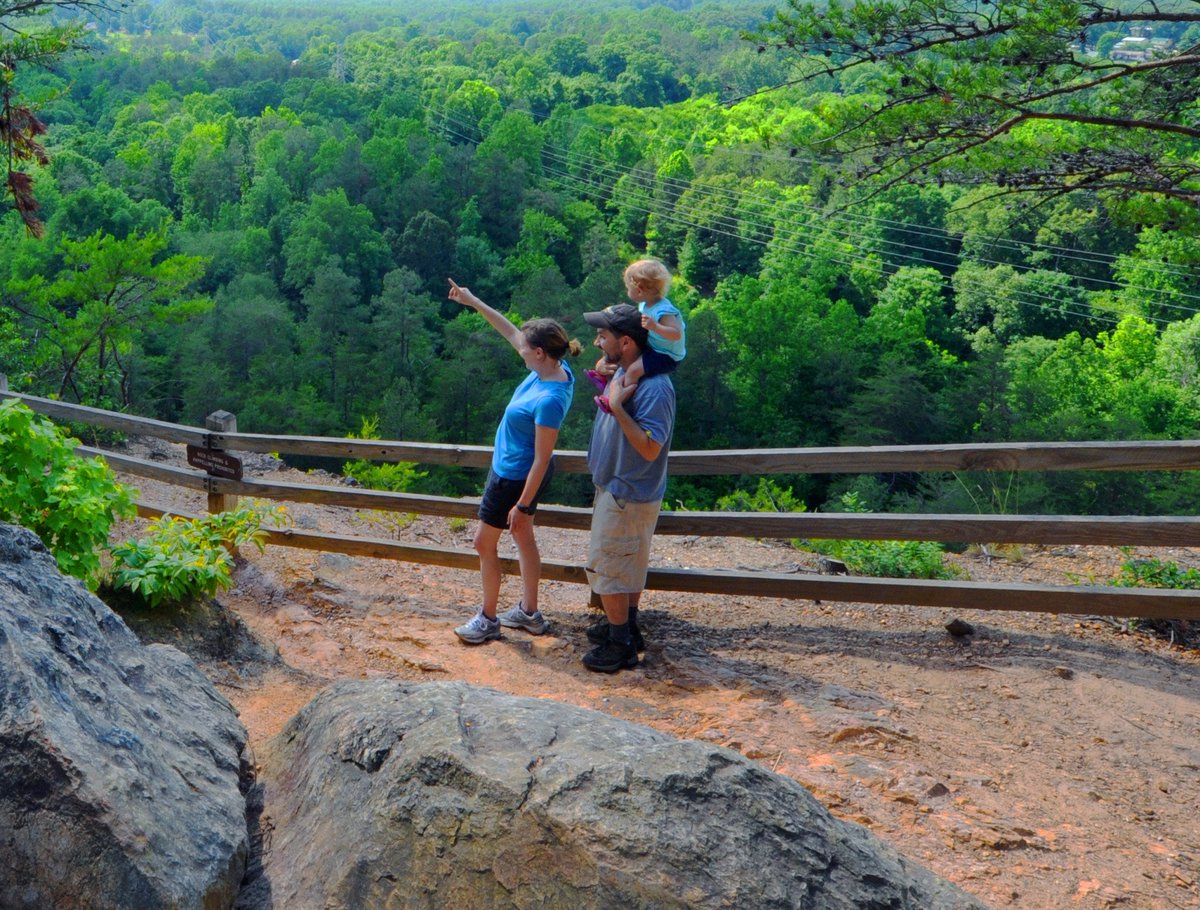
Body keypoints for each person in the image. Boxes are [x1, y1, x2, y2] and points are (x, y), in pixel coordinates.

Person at [447, 278, 581, 644]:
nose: (518, 349)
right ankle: (529, 612)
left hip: (514, 476)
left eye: (525, 347)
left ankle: (488, 618)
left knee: (482, 543)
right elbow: (508, 329)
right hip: (517, 470)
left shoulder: (550, 397)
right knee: (523, 537)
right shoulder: (552, 370)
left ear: (540, 352)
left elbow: (542, 457)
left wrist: (521, 504)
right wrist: (473, 301)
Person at [579, 303, 676, 673]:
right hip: (622, 489)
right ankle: (626, 626)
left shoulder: (655, 389)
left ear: (626, 341)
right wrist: (609, 382)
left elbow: (651, 448)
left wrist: (617, 407)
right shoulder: (628, 371)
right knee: (626, 564)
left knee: (610, 567)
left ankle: (619, 644)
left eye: (603, 336)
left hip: (627, 492)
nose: (596, 341)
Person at [586, 258, 685, 415]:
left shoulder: (664, 310)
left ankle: (618, 400)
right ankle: (606, 378)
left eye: (627, 287)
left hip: (666, 355)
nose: (627, 291)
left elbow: (676, 334)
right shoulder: (646, 303)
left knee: (633, 371)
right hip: (654, 346)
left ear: (639, 290)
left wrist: (655, 326)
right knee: (624, 356)